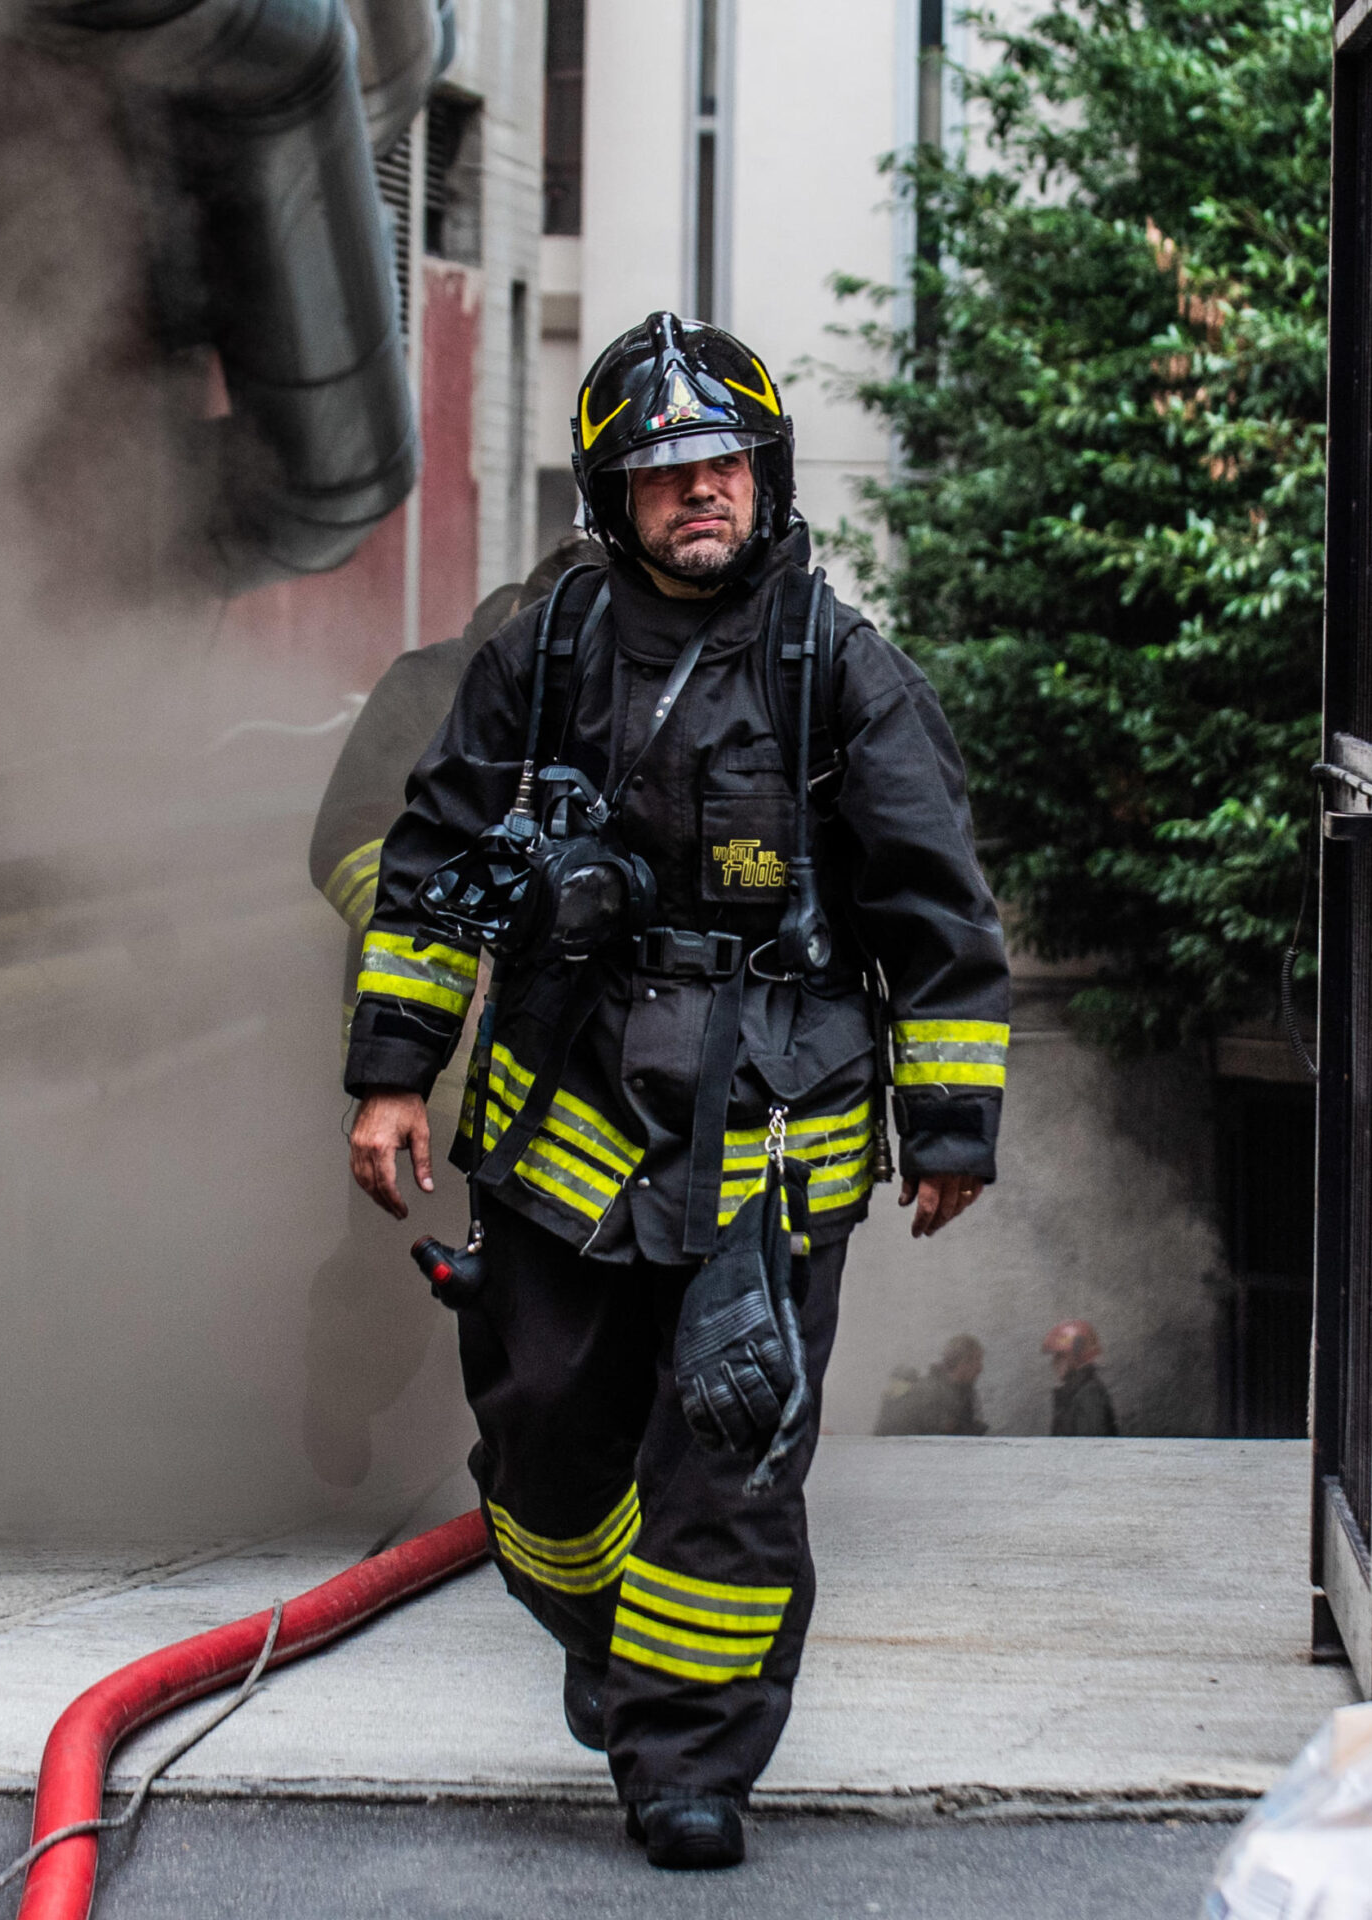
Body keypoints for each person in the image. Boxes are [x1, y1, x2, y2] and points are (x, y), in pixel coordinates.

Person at [338, 312, 1010, 1870]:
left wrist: (951, 1124)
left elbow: (938, 912)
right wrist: (391, 1078)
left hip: (773, 1134)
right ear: (610, 497)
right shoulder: (546, 649)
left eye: (721, 466)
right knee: (547, 1443)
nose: (697, 492)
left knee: (730, 1449)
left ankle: (688, 1764)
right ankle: (603, 1636)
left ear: (763, 481)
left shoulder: (841, 669)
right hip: (563, 1116)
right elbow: (435, 867)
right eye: (662, 474)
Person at [300, 537, 598, 1486]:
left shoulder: (625, 687)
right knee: (391, 1265)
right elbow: (345, 839)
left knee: (553, 1259)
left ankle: (534, 1468)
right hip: (428, 1042)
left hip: (562, 1040)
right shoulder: (431, 685)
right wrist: (450, 938)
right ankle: (345, 1389)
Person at [873, 1334, 989, 1436]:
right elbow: (937, 1439)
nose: (980, 1368)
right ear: (963, 1362)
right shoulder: (930, 1393)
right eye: (977, 1361)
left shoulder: (963, 1392)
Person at [1044, 1319, 1119, 1436]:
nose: (1054, 1363)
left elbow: (1090, 1447)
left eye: (1059, 1356)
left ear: (1076, 1357)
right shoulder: (1074, 1392)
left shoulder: (1090, 1395)